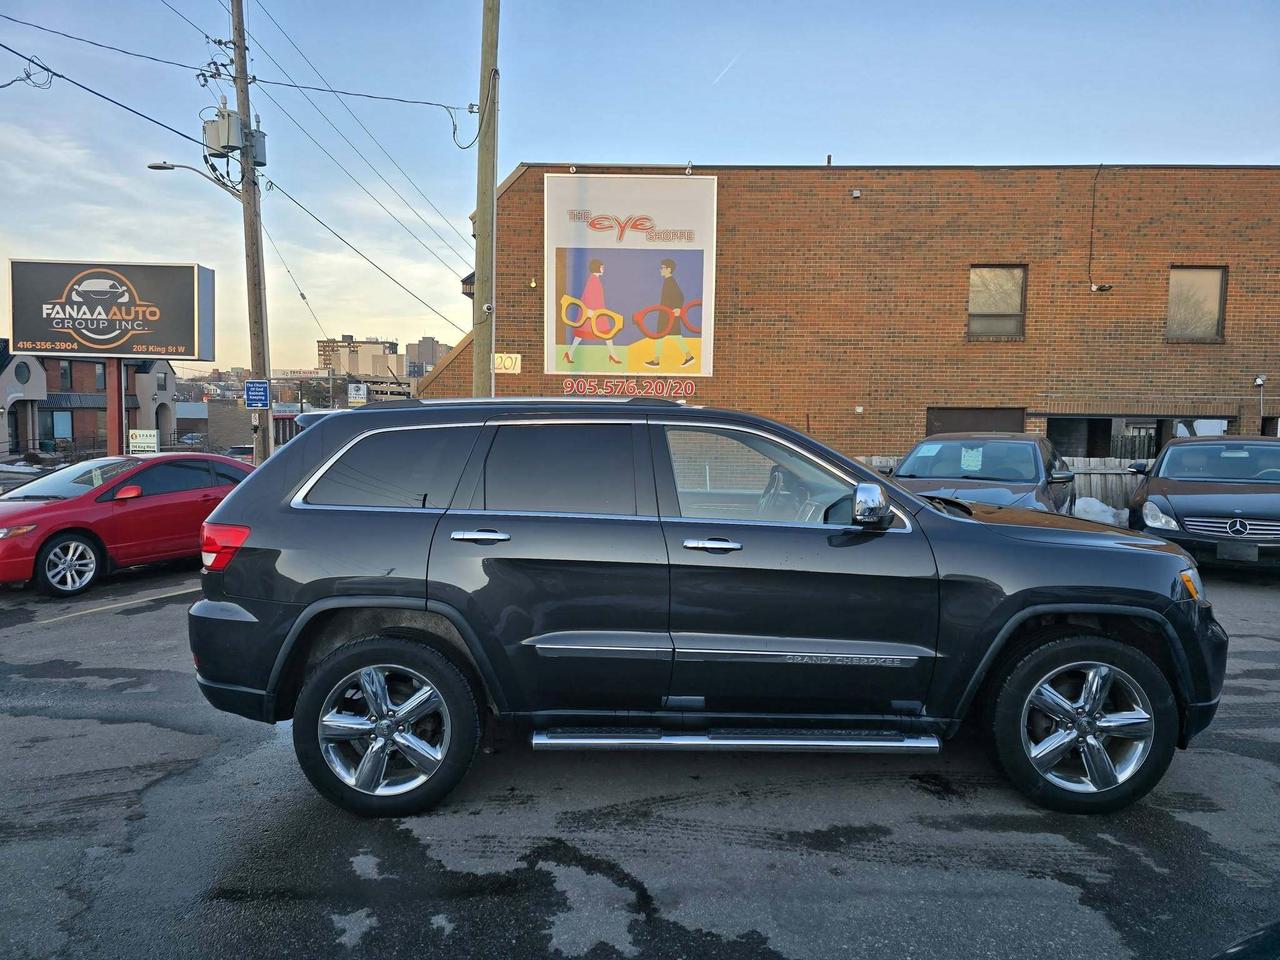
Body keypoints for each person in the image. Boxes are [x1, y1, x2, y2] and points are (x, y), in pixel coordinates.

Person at [564, 259, 621, 365]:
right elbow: (587, 296)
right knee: (605, 334)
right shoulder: (593, 280)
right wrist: (589, 311)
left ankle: (569, 353)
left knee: (588, 335)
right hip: (593, 313)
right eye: (602, 267)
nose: (603, 269)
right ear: (597, 267)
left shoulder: (595, 279)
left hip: (597, 313)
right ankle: (613, 355)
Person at [645, 258, 696, 368]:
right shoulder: (667, 281)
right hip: (666, 314)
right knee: (668, 336)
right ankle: (687, 356)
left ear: (669, 269)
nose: (660, 270)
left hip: (669, 315)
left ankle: (658, 360)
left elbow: (680, 296)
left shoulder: (671, 281)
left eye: (662, 268)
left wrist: (678, 308)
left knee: (671, 336)